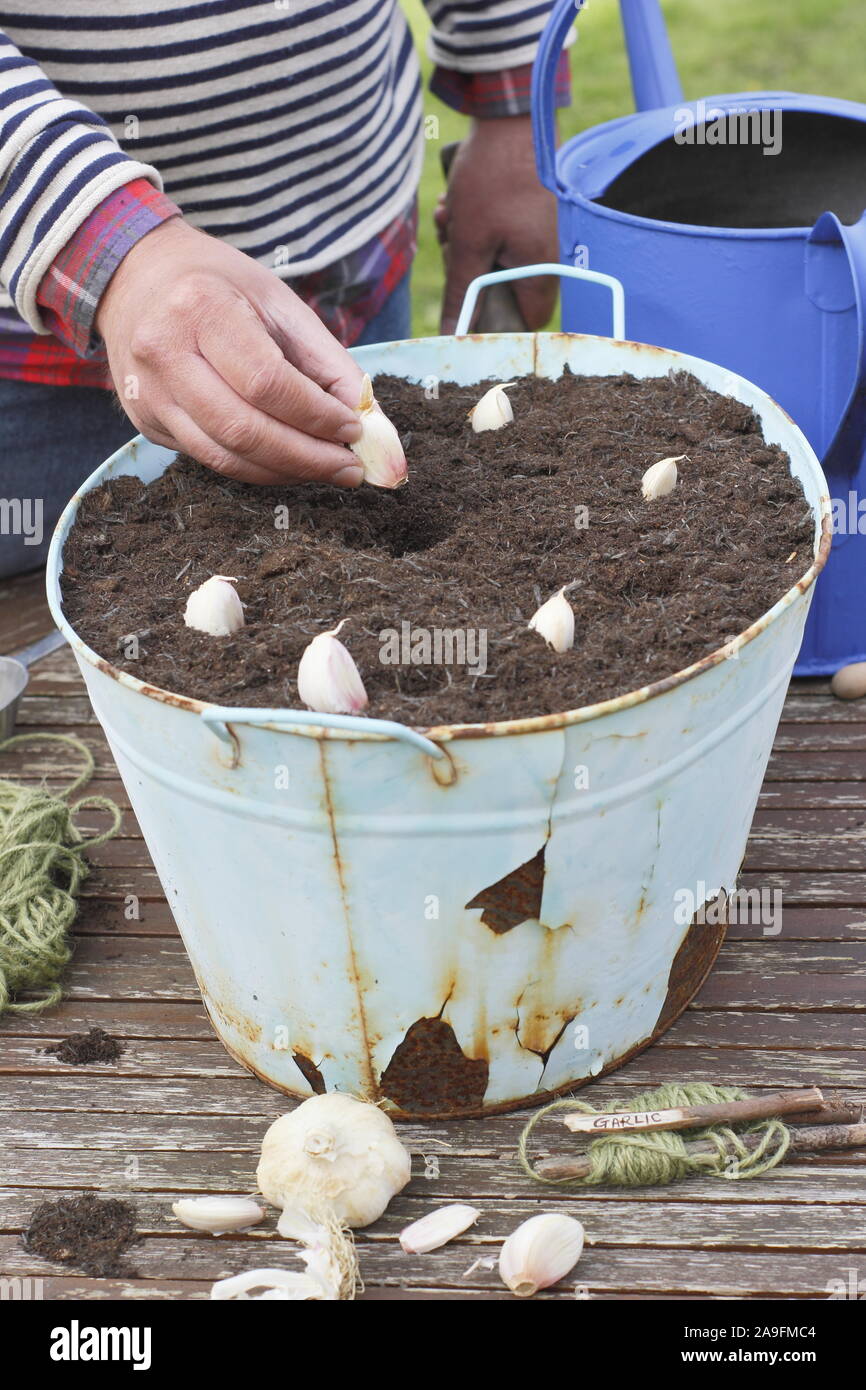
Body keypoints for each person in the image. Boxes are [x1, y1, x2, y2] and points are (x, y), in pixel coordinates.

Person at [0, 2, 570, 577]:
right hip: (40, 369)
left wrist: (516, 105)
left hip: (355, 261)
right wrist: (114, 254)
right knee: (58, 600)